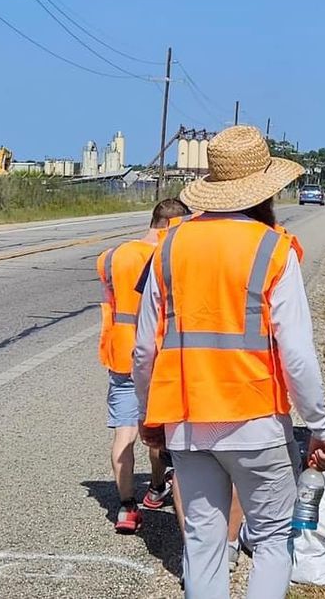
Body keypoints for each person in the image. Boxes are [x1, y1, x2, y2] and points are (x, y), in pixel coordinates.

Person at [133, 125, 325, 599]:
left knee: (203, 545)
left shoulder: (168, 246)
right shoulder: (273, 248)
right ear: (265, 189)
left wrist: (149, 415)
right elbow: (298, 354)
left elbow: (144, 349)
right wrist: (321, 427)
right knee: (270, 542)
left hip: (186, 421)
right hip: (256, 421)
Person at [97, 197, 189, 534]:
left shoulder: (112, 257)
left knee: (125, 432)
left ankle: (125, 508)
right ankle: (155, 489)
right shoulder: (169, 256)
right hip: (158, 354)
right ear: (173, 225)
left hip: (121, 352)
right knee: (159, 431)